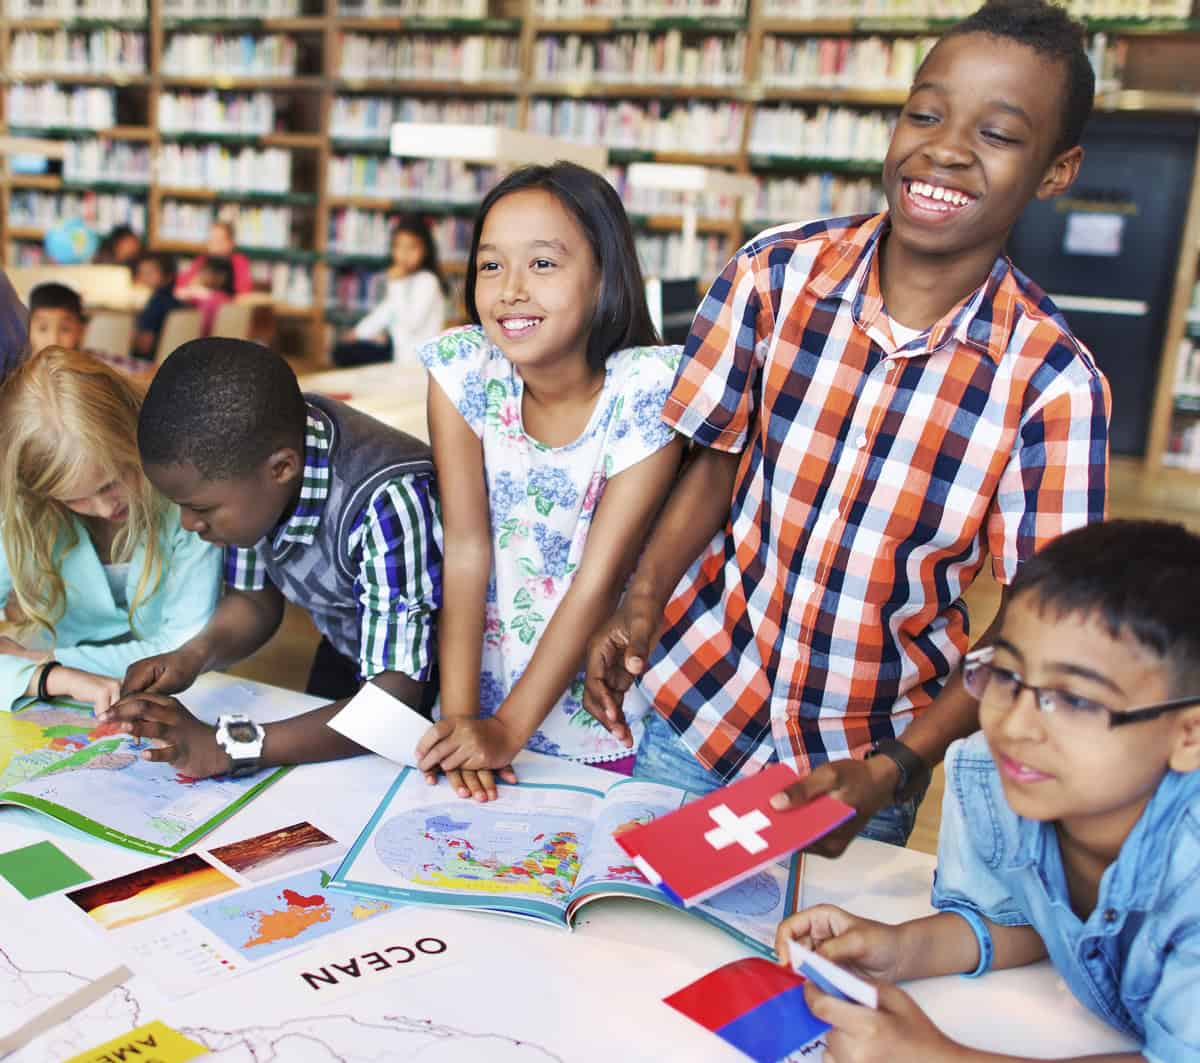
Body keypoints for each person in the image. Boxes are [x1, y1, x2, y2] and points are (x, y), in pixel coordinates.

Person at [582, 0, 1110, 849]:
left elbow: (1033, 618)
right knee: (633, 952)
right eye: (925, 113)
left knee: (793, 974)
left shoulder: (1053, 385)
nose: (943, 147)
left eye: (999, 134)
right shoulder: (771, 276)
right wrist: (640, 602)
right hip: (695, 709)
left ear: (1057, 170)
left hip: (860, 765)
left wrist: (897, 766)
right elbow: (715, 465)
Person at [776, 519, 1200, 1063]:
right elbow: (1020, 919)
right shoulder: (996, 775)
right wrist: (901, 948)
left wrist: (932, 1057)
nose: (1017, 726)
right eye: (1007, 677)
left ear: (1188, 734)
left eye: (1074, 700)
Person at [412, 162, 684, 803]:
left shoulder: (647, 389)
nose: (509, 290)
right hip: (489, 696)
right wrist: (461, 718)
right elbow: (468, 549)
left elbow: (600, 574)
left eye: (542, 264)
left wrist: (508, 726)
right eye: (490, 265)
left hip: (601, 718)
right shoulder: (463, 370)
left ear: (604, 276)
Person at [104, 338, 443, 780]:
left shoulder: (388, 502)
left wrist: (230, 745)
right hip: (352, 647)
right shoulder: (251, 461)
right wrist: (191, 656)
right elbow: (253, 601)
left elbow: (392, 705)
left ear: (282, 468)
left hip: (432, 683)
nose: (188, 523)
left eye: (202, 509)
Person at [0, 347, 221, 713]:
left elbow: (184, 643)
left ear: (135, 435)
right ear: (41, 494)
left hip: (189, 693)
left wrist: (47, 660)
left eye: (114, 480)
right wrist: (52, 677)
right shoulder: (20, 511)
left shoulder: (186, 494)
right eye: (75, 499)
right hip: (49, 695)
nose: (105, 508)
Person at [333, 214, 449, 369]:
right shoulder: (406, 278)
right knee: (342, 349)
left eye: (412, 247)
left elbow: (411, 323)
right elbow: (386, 311)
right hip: (398, 349)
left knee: (348, 353)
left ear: (425, 249)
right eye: (398, 246)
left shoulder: (428, 280)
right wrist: (358, 332)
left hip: (414, 359)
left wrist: (396, 283)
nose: (404, 254)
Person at [176, 220, 253, 297]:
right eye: (211, 239)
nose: (214, 244)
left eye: (219, 240)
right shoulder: (203, 259)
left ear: (231, 243)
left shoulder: (238, 261)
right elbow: (182, 282)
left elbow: (243, 290)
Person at [132, 252, 184, 361]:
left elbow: (144, 346)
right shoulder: (178, 304)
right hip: (174, 363)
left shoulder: (156, 303)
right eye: (141, 273)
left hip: (148, 364)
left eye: (149, 273)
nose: (143, 278)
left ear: (168, 276)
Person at [27, 282, 88, 355]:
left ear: (81, 331)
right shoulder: (18, 364)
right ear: (28, 329)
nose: (53, 341)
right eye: (42, 329)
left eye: (65, 329)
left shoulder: (93, 364)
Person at [182, 256, 235, 337]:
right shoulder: (227, 299)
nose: (198, 275)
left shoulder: (208, 300)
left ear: (221, 277)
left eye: (204, 271)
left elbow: (199, 329)